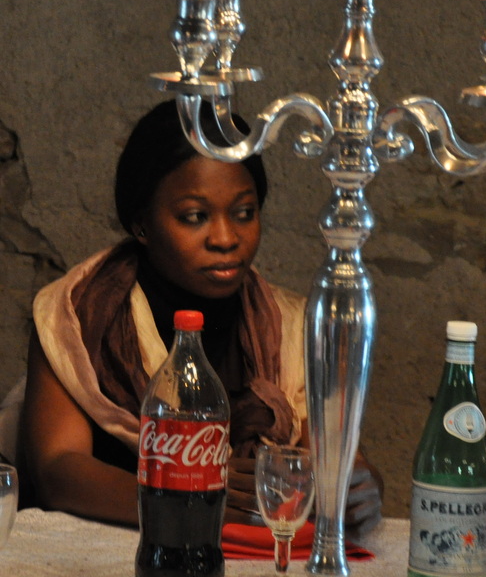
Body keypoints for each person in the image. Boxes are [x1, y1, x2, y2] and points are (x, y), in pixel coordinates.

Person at [22, 99, 382, 533]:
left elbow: (331, 459)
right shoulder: (77, 316)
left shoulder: (292, 326)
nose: (226, 238)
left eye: (244, 213)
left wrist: (355, 488)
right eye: (195, 217)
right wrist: (188, 494)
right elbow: (57, 471)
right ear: (141, 224)